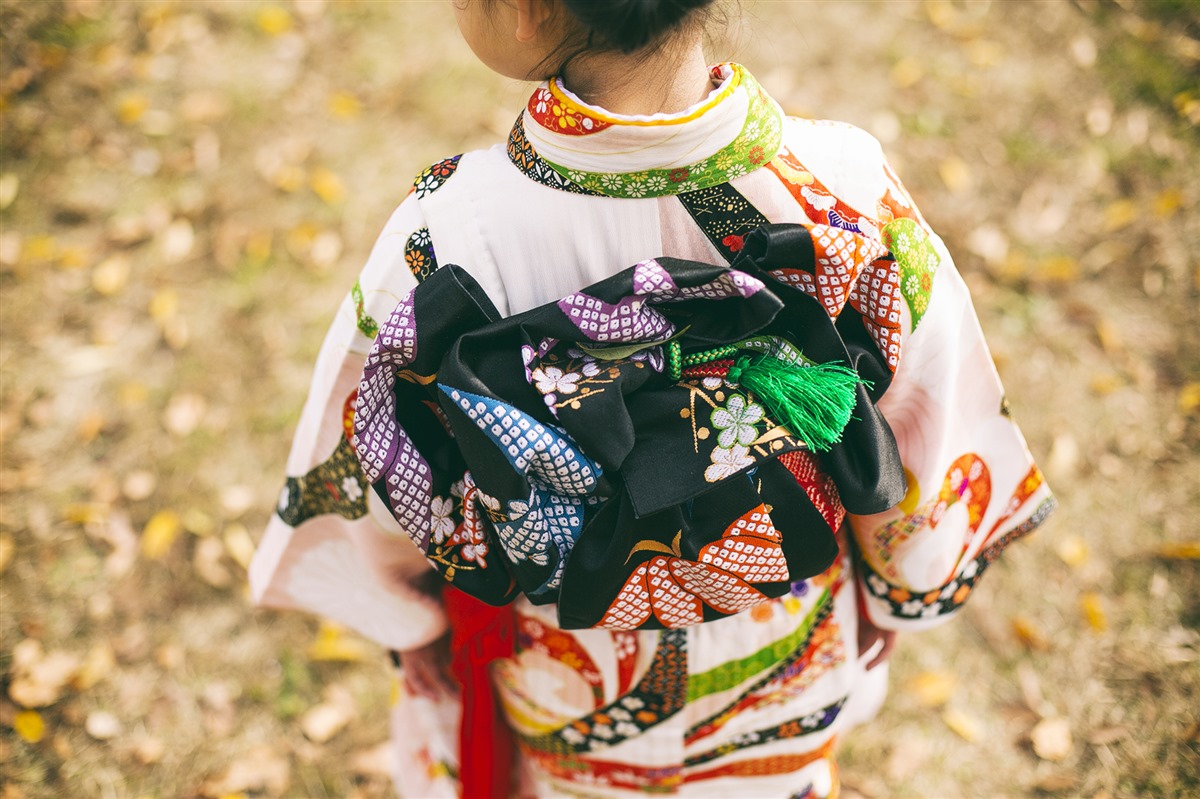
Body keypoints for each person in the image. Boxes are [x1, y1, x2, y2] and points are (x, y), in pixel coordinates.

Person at [250, 1, 1056, 797]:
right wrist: (903, 585)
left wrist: (410, 618)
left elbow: (381, 455)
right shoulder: (843, 184)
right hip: (785, 644)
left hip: (571, 666)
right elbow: (925, 423)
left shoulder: (449, 229)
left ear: (527, 8)